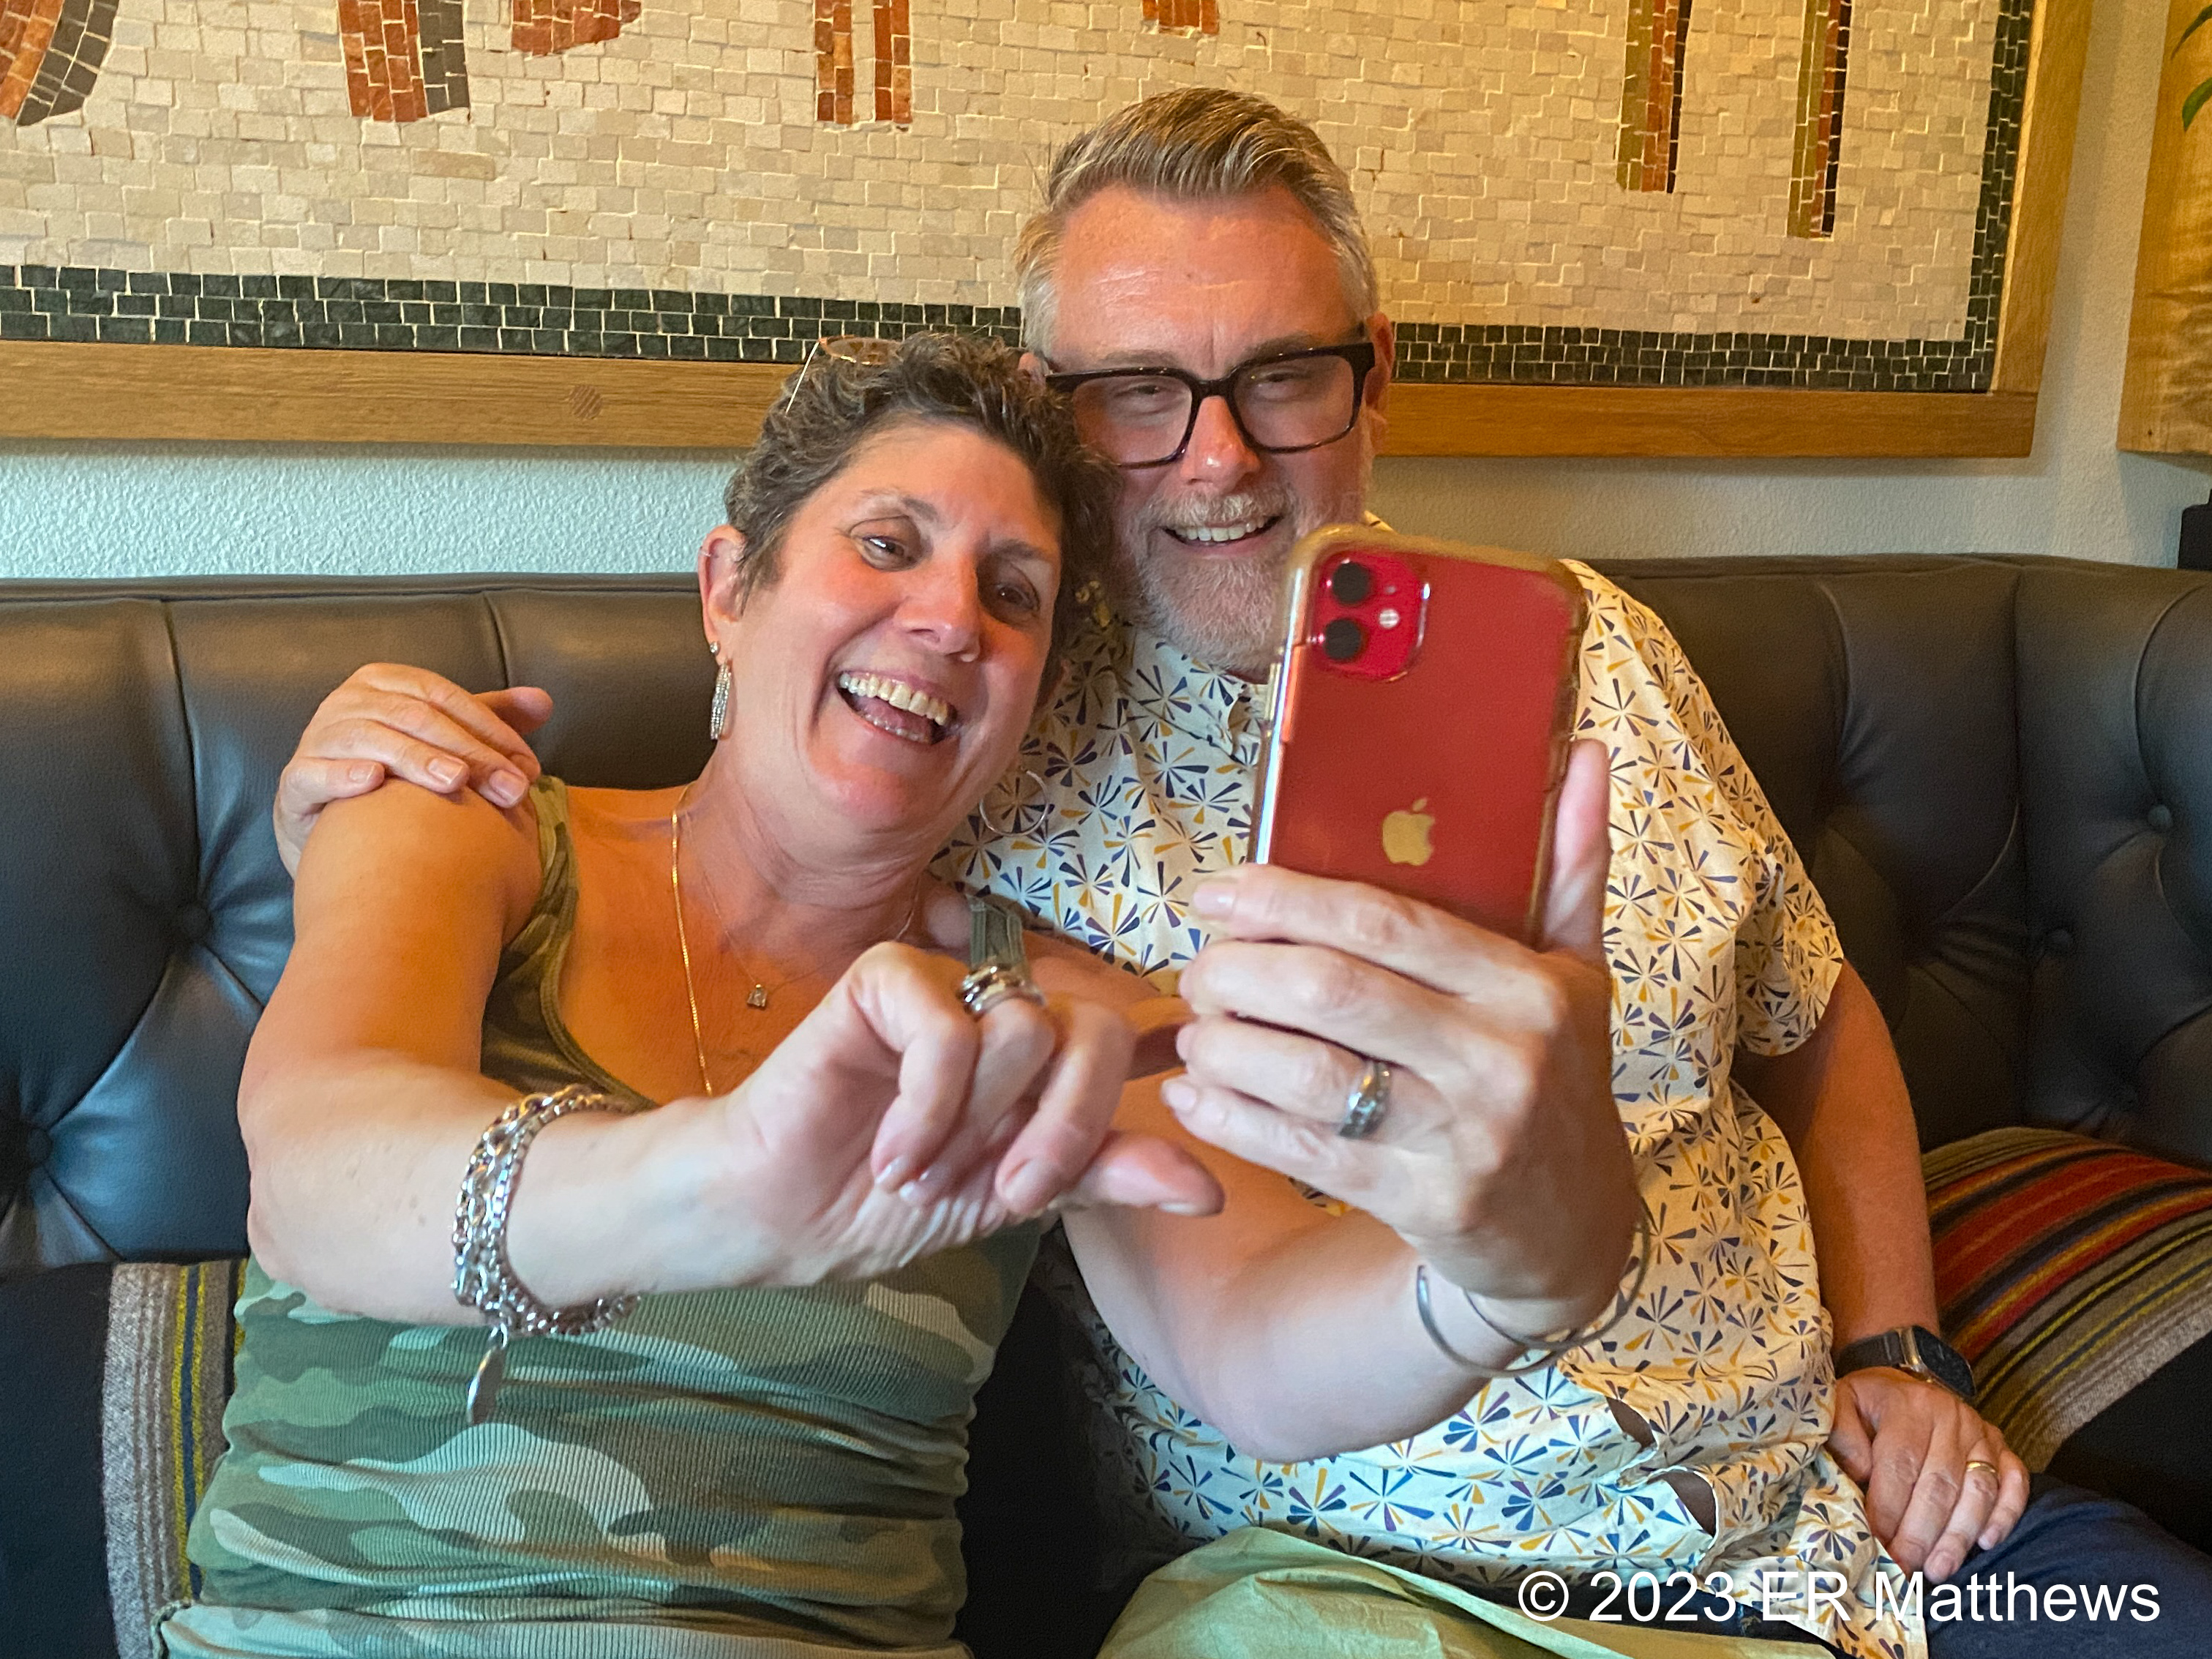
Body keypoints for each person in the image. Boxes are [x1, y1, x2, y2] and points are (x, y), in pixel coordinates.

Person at [266, 93, 2212, 1659]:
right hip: (1358, 1588)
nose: (1213, 460)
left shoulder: (1574, 656)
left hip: (1820, 1537)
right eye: (1133, 392)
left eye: (1280, 375)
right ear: (729, 584)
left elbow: (1805, 1014)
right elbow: (338, 1151)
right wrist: (702, 1162)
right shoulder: (949, 810)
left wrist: (1847, 1338)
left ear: (1372, 381)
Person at [157, 334, 1224, 1659]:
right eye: (887, 544)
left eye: (1013, 594)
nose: (954, 619)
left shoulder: (1044, 1013)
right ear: (729, 589)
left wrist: (1466, 1267)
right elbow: (316, 1171)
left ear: (1037, 692)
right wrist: (713, 1187)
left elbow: (1264, 1353)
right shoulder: (464, 820)